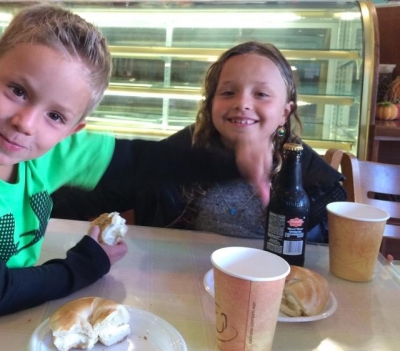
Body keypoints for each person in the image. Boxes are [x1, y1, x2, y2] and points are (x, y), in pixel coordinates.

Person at [0, 5, 266, 350]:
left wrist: (236, 165)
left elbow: (139, 161)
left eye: (55, 116)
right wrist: (88, 262)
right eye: (18, 91)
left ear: (72, 131)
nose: (26, 123)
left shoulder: (45, 150)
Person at [53, 41, 347, 243]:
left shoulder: (316, 181)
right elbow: (102, 193)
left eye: (261, 94)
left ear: (285, 112)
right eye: (228, 92)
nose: (242, 103)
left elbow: (329, 247)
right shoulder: (177, 156)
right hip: (181, 283)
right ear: (211, 104)